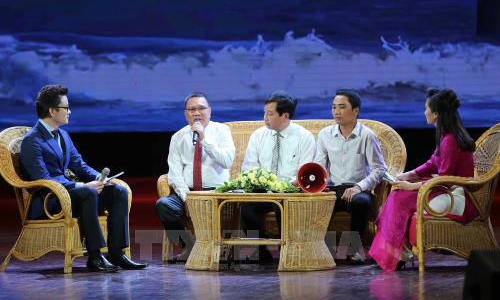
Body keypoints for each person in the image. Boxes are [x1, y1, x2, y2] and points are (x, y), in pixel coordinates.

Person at [20, 84, 146, 272]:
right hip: (50, 200)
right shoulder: (32, 140)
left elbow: (79, 165)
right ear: (53, 111)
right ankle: (95, 257)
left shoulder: (63, 135)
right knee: (88, 192)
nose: (69, 112)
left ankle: (117, 254)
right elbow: (43, 179)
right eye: (66, 108)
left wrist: (100, 178)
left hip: (71, 194)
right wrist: (83, 185)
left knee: (118, 191)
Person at [369, 88, 478, 271]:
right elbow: (432, 164)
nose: (424, 112)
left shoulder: (450, 140)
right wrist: (407, 175)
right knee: (398, 194)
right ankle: (394, 254)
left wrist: (411, 186)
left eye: (426, 108)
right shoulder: (446, 136)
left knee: (400, 197)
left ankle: (395, 255)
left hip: (457, 196)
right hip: (446, 189)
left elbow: (444, 180)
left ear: (435, 114)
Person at [155, 92, 235, 262]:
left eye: (201, 108)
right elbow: (174, 173)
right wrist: (186, 198)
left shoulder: (222, 131)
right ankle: (188, 246)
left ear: (210, 111)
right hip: (188, 192)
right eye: (192, 109)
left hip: (216, 192)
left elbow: (227, 161)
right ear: (186, 114)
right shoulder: (177, 137)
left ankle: (223, 250)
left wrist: (204, 140)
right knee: (164, 205)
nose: (197, 113)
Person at [241, 91, 316, 262]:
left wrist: (281, 188)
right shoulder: (258, 135)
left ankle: (288, 252)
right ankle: (261, 253)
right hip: (262, 189)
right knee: (246, 206)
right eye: (264, 113)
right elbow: (248, 166)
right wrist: (256, 181)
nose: (265, 118)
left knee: (281, 203)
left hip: (291, 190)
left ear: (285, 115)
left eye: (270, 113)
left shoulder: (303, 137)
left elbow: (305, 172)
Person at [314, 89, 387, 264]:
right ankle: (327, 251)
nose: (336, 112)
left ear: (355, 111)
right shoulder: (325, 135)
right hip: (333, 188)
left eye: (341, 107)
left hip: (358, 188)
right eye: (333, 107)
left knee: (361, 203)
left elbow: (379, 169)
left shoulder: (367, 136)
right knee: (318, 202)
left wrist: (359, 187)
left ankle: (354, 250)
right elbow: (319, 166)